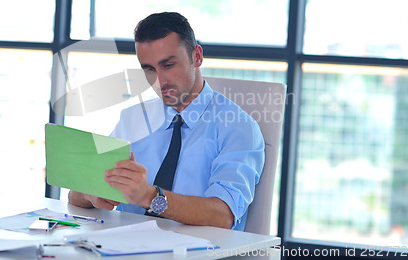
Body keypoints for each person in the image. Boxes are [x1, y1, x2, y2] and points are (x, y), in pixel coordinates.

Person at [69, 12, 264, 230]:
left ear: (197, 56)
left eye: (168, 65)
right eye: (149, 69)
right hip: (126, 248)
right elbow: (75, 194)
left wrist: (150, 197)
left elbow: (223, 215)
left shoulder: (237, 127)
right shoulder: (132, 118)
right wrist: (90, 194)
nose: (160, 81)